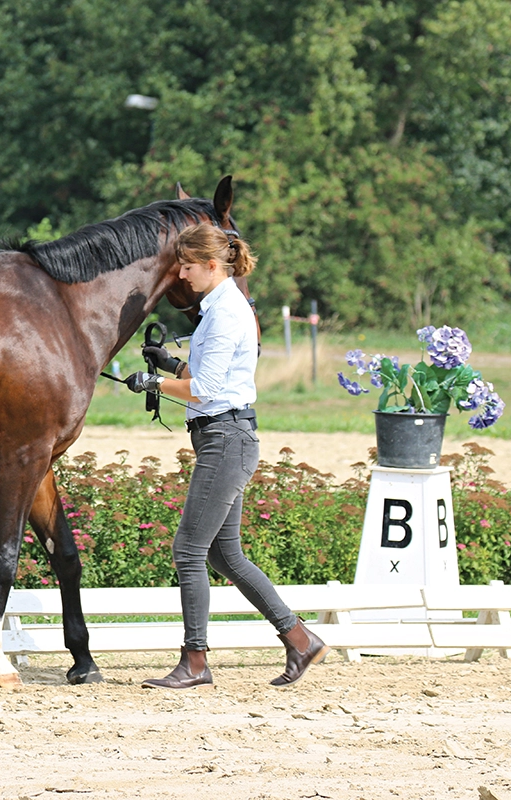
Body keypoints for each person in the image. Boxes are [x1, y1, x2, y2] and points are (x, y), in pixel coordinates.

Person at [121, 223, 328, 689]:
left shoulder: (224, 312)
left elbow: (207, 389)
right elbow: (209, 372)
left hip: (224, 438)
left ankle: (195, 660)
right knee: (224, 553)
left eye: (189, 266)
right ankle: (299, 638)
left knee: (189, 550)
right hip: (224, 435)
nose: (182, 274)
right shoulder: (221, 306)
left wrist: (152, 383)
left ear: (212, 266)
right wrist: (169, 364)